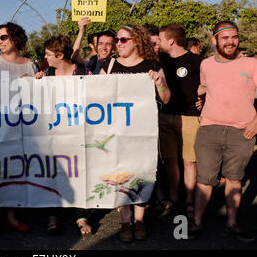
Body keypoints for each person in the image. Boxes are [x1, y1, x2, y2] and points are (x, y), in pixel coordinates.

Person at [99, 24, 170, 243]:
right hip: (115, 132)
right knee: (121, 174)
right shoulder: (109, 65)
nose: (117, 44)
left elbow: (166, 98)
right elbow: (93, 95)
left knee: (141, 173)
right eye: (117, 40)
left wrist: (159, 84)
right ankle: (124, 222)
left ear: (136, 42)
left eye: (122, 40)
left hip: (142, 132)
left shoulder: (153, 65)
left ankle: (139, 221)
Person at [188, 21, 256, 243]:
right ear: (214, 40)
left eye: (234, 37)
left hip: (242, 131)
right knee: (204, 180)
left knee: (235, 179)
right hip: (210, 128)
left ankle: (232, 224)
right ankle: (196, 223)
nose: (230, 41)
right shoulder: (206, 64)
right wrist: (200, 97)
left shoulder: (251, 64)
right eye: (225, 37)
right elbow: (205, 87)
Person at [0, 22, 37, 236]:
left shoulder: (29, 65)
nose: (0, 42)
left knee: (15, 169)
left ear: (15, 39)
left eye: (4, 37)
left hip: (21, 127)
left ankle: (12, 215)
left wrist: (33, 82)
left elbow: (36, 95)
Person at [34, 35, 91, 235]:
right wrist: (34, 82)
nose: (45, 57)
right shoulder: (47, 73)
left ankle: (80, 214)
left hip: (78, 133)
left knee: (79, 171)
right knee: (52, 172)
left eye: (48, 54)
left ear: (59, 55)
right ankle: (52, 214)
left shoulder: (84, 72)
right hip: (54, 134)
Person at [158, 24, 203, 220]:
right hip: (166, 116)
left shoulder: (197, 61)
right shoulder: (160, 61)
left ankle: (190, 202)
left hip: (190, 117)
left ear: (171, 40)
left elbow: (209, 85)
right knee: (170, 160)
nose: (157, 43)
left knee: (189, 162)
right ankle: (175, 199)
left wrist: (204, 99)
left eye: (160, 39)